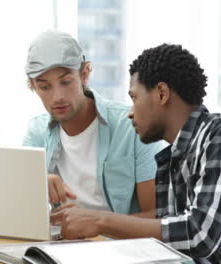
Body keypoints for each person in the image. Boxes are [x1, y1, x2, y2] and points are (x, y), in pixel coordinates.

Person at [51, 43, 221, 263]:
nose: (130, 113)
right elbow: (167, 246)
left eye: (134, 97)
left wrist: (100, 220)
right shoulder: (174, 160)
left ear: (161, 93)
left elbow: (199, 234)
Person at [23, 31, 163, 217]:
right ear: (33, 86)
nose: (58, 97)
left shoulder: (133, 126)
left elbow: (156, 216)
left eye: (66, 82)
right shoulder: (36, 132)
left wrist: (97, 223)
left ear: (85, 74)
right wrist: (37, 183)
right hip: (62, 241)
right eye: (44, 87)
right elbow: (20, 208)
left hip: (120, 243)